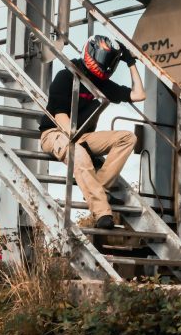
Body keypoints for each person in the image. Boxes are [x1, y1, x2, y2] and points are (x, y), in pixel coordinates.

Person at [39, 34, 146, 229]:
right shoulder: (66, 75)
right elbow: (60, 116)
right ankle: (102, 214)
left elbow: (139, 95)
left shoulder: (101, 84)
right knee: (79, 154)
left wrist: (130, 63)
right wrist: (76, 142)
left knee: (127, 138)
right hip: (55, 132)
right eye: (104, 59)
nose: (105, 65)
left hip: (82, 135)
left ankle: (101, 188)